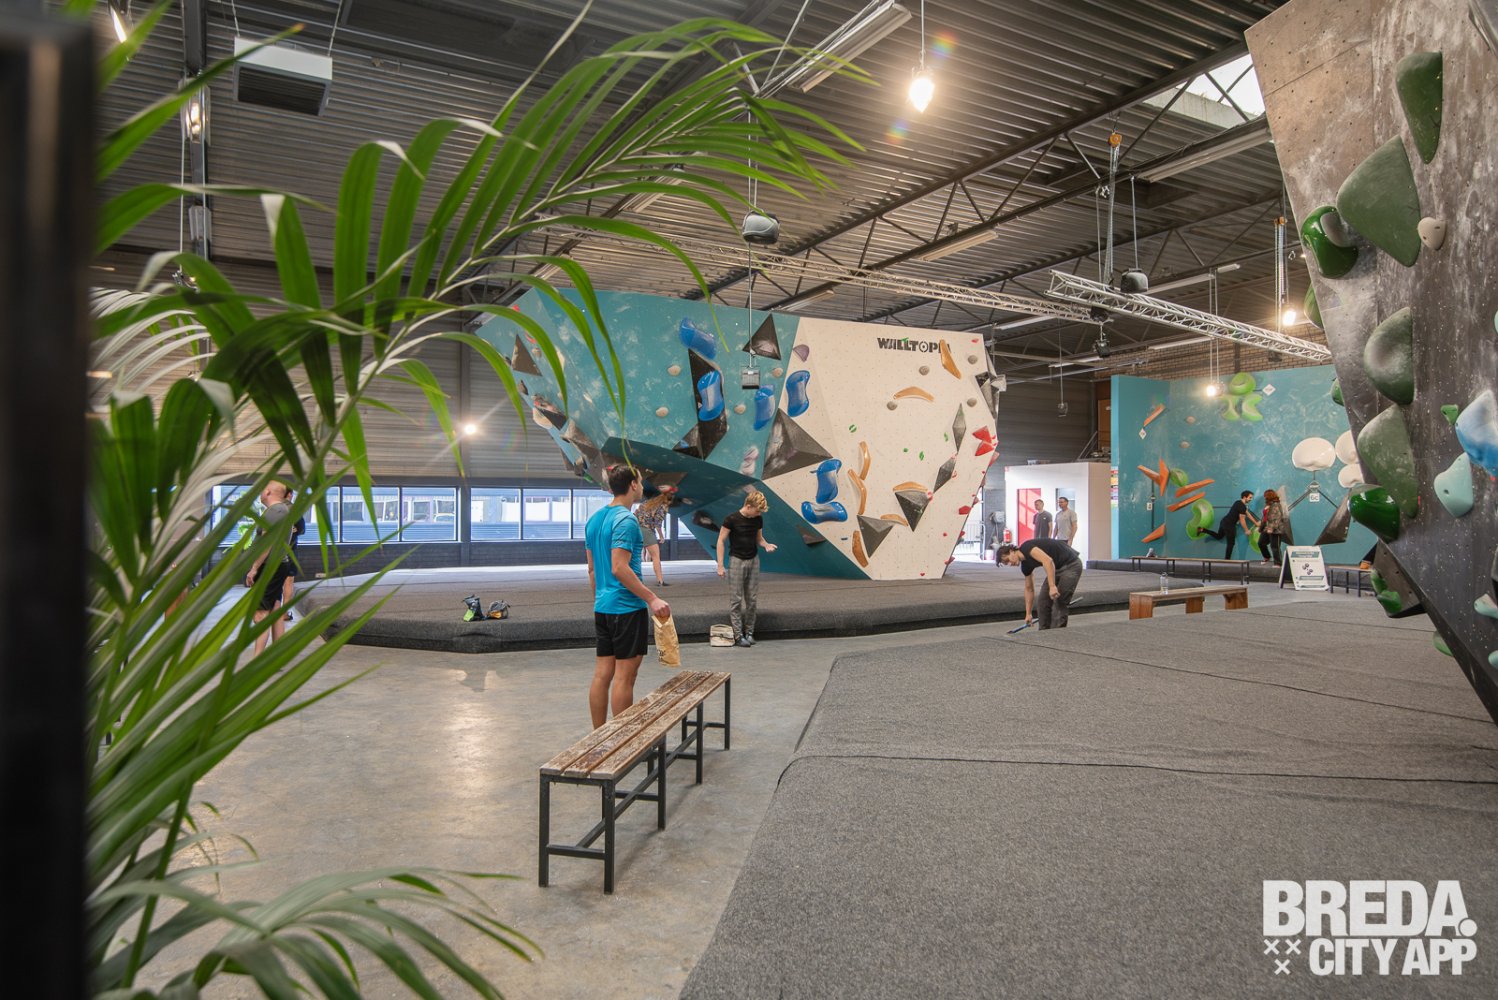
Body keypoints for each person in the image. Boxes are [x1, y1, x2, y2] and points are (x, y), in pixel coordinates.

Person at [584, 465, 669, 729]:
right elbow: (619, 567)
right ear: (633, 485)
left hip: (603, 607)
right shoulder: (627, 520)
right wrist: (652, 598)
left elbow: (592, 570)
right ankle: (620, 742)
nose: (642, 487)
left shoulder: (594, 519)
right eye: (641, 482)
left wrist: (601, 600)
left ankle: (598, 737)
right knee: (624, 678)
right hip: (626, 608)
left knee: (602, 675)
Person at [716, 490, 777, 647]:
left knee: (752, 599)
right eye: (757, 511)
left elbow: (759, 539)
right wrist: (720, 565)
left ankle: (749, 632)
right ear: (748, 506)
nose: (758, 514)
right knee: (736, 600)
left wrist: (766, 545)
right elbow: (721, 541)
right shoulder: (731, 519)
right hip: (736, 560)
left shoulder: (758, 519)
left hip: (753, 560)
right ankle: (738, 635)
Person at [245, 480, 296, 655]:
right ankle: (276, 656)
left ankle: (257, 661)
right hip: (277, 565)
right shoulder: (282, 510)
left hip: (270, 567)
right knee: (275, 609)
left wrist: (254, 568)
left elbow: (267, 543)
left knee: (260, 615)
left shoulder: (276, 511)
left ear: (267, 492)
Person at [997, 537, 1084, 629]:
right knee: (1043, 602)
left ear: (1011, 551)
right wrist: (1028, 614)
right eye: (1007, 564)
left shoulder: (1026, 547)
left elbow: (1048, 561)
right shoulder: (1025, 566)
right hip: (1056, 568)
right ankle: (1043, 632)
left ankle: (1057, 634)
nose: (1010, 564)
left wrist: (1052, 586)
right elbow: (1029, 589)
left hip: (1071, 564)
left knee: (1059, 601)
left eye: (1008, 560)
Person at [1203, 490, 1258, 560]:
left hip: (1224, 521)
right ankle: (1227, 560)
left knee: (1219, 536)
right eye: (1250, 497)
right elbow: (1242, 520)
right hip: (1230, 525)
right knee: (1231, 544)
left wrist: (1256, 523)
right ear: (1245, 497)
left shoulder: (1238, 502)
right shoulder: (1242, 507)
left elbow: (1248, 514)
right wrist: (1246, 530)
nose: (1251, 499)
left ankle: (1203, 530)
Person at [634, 489, 672, 588]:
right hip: (647, 531)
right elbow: (657, 524)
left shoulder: (646, 503)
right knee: (655, 556)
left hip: (636, 529)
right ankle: (660, 581)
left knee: (634, 556)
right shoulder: (663, 507)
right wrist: (661, 536)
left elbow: (635, 515)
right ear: (668, 501)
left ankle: (634, 580)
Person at [1257, 488, 1287, 565]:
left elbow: (1276, 517)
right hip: (1266, 527)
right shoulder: (1268, 505)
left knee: (1275, 546)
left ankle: (1278, 563)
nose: (1264, 497)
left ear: (1269, 496)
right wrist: (1261, 527)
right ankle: (1267, 557)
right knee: (1261, 543)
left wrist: (1271, 528)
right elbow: (1265, 517)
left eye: (1265, 496)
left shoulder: (1276, 504)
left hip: (1276, 529)